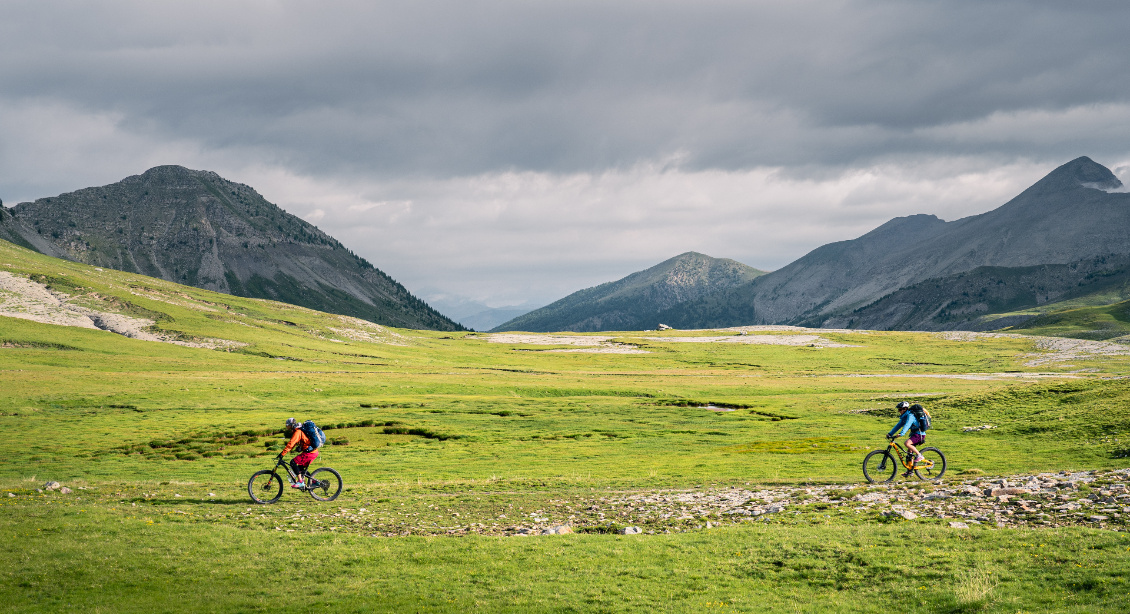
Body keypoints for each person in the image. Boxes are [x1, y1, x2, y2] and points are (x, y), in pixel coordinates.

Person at [279, 417, 319, 489]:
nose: (286, 426)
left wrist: (282, 453)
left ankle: (300, 482)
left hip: (310, 453)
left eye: (287, 425)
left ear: (291, 425)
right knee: (299, 469)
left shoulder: (297, 432)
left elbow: (291, 443)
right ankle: (315, 482)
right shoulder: (297, 430)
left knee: (293, 462)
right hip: (312, 452)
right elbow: (294, 444)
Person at [887, 401, 925, 477]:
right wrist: (890, 433)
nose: (899, 411)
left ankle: (919, 455)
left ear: (905, 409)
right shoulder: (904, 417)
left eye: (900, 409)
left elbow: (907, 425)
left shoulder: (910, 416)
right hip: (914, 434)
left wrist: (901, 433)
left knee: (907, 443)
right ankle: (910, 471)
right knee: (909, 453)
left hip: (919, 434)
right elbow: (898, 425)